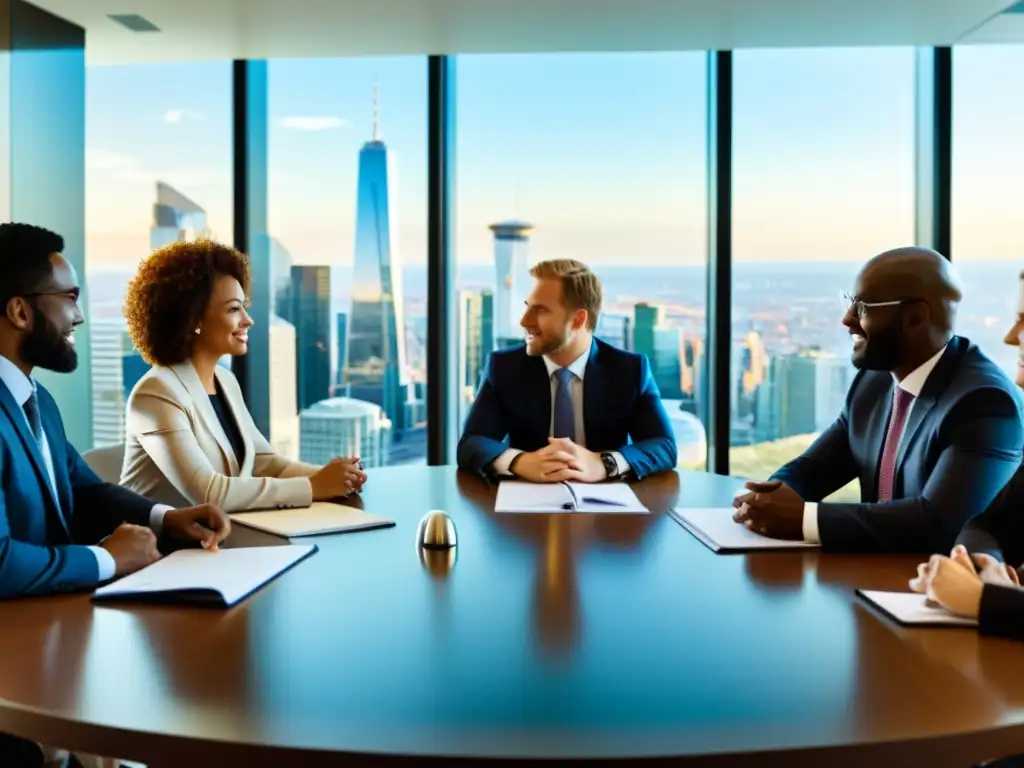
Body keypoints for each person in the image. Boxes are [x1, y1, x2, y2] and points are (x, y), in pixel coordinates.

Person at [0, 223, 230, 767]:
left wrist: (165, 518)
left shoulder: (37, 402)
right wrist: (107, 559)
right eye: (71, 298)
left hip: (51, 645)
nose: (79, 316)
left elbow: (82, 489)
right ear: (20, 312)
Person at [732, 247, 1022, 553]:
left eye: (863, 307)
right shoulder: (876, 379)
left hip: (931, 589)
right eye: (850, 302)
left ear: (915, 317)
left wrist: (804, 519)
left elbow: (939, 524)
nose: (847, 319)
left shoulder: (985, 403)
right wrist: (769, 497)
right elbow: (815, 468)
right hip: (870, 578)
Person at [120, 240, 366, 513]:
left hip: (217, 541)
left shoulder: (224, 381)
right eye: (234, 309)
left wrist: (333, 476)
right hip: (157, 550)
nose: (248, 320)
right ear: (194, 320)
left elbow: (266, 464)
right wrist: (314, 487)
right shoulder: (157, 393)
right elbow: (210, 495)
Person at [457, 258, 676, 482]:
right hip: (525, 507)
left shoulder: (628, 370)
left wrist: (604, 464)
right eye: (527, 307)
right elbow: (472, 442)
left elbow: (664, 446)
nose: (525, 321)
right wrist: (520, 461)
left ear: (578, 319)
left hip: (608, 509)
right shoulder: (505, 367)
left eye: (540, 310)